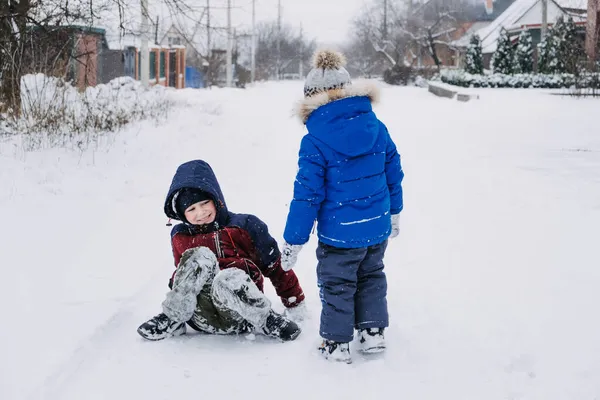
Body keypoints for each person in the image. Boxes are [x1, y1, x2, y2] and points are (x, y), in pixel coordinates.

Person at [280, 49, 404, 363]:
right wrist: (395, 212)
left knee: (338, 284)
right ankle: (372, 332)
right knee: (371, 276)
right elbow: (393, 170)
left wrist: (294, 240)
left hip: (339, 233)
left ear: (310, 99)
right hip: (376, 227)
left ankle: (336, 343)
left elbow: (307, 195)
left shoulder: (314, 140)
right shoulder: (376, 125)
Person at [138, 159, 306, 342]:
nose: (200, 212)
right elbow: (184, 275)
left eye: (204, 203)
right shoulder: (180, 235)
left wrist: (294, 300)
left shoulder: (246, 225)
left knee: (227, 277)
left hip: (242, 314)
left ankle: (267, 320)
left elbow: (275, 267)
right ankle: (174, 319)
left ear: (216, 199)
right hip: (200, 317)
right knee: (198, 258)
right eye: (191, 209)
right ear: (181, 214)